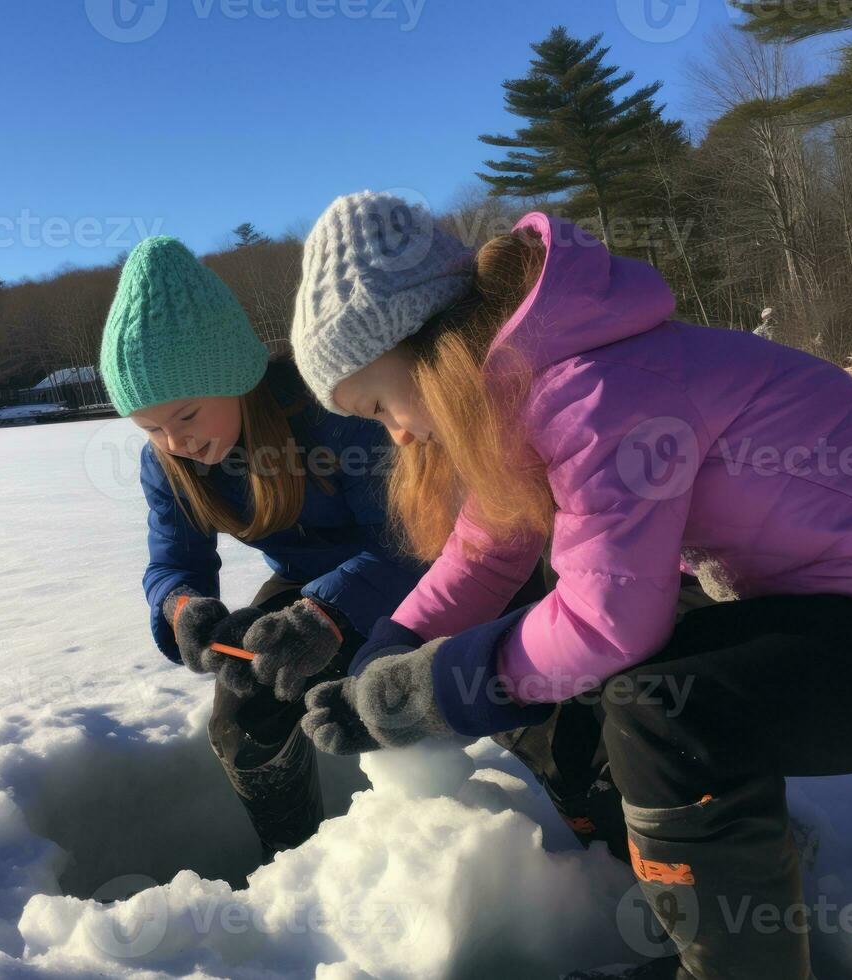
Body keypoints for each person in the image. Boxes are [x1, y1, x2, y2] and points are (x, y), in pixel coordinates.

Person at [288, 191, 852, 979]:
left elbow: (606, 623)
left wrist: (436, 684)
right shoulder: (535, 380)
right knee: (609, 661)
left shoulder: (593, 392)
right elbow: (486, 553)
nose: (396, 432)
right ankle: (720, 876)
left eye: (378, 404)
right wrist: (388, 655)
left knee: (657, 707)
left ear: (427, 350)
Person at [99, 236, 557, 860]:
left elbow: (413, 541)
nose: (174, 442)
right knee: (242, 719)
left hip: (448, 569)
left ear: (236, 380)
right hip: (308, 592)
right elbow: (174, 563)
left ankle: (594, 843)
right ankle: (292, 857)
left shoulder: (330, 416)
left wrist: (329, 613)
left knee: (529, 702)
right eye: (150, 429)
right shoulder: (169, 465)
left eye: (187, 415)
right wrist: (182, 608)